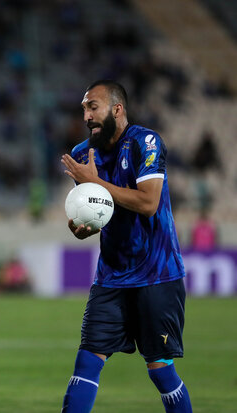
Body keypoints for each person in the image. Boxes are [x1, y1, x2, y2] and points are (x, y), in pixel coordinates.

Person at [60, 80, 192, 412]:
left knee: (160, 370)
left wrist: (95, 182)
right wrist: (80, 227)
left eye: (94, 107)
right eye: (84, 109)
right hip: (112, 276)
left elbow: (148, 203)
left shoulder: (145, 142)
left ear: (117, 110)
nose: (87, 116)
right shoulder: (82, 155)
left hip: (157, 276)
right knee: (87, 359)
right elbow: (95, 216)